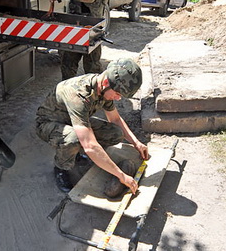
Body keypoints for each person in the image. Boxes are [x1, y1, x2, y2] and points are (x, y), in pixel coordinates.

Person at [36, 58, 149, 193]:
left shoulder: (103, 89)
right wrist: (121, 175)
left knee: (115, 133)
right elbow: (90, 145)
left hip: (73, 120)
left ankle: (80, 153)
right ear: (106, 82)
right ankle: (61, 167)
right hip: (48, 123)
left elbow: (115, 119)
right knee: (75, 139)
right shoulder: (79, 96)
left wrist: (136, 143)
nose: (118, 98)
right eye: (118, 94)